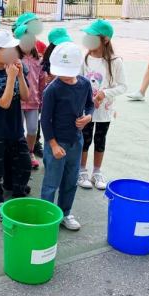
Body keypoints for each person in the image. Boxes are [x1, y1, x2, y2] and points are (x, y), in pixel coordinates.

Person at [40, 42, 94, 231]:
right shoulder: (52, 90)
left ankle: (65, 213)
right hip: (56, 142)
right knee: (51, 182)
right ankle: (45, 216)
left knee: (71, 180)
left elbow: (90, 105)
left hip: (75, 141)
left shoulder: (85, 83)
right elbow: (45, 121)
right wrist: (53, 145)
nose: (63, 75)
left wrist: (88, 117)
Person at [0, 29, 31, 221]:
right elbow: (4, 103)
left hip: (16, 128)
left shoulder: (15, 69)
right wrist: (10, 78)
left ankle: (17, 193)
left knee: (23, 164)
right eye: (7, 50)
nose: (12, 53)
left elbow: (25, 97)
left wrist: (19, 76)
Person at [78, 20, 127, 190]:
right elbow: (77, 81)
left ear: (105, 40)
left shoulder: (115, 61)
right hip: (86, 110)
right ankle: (82, 170)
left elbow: (122, 86)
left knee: (100, 140)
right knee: (85, 139)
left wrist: (104, 93)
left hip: (104, 111)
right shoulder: (84, 59)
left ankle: (96, 172)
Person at [34, 27, 74, 158]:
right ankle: (41, 145)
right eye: (58, 44)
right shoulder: (47, 59)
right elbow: (43, 76)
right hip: (49, 96)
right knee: (45, 120)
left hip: (65, 97)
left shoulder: (71, 56)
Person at [14, 24, 46, 169]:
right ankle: (18, 154)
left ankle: (30, 152)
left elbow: (41, 81)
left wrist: (41, 100)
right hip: (17, 102)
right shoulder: (14, 59)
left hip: (33, 102)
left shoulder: (38, 59)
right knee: (18, 130)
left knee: (32, 129)